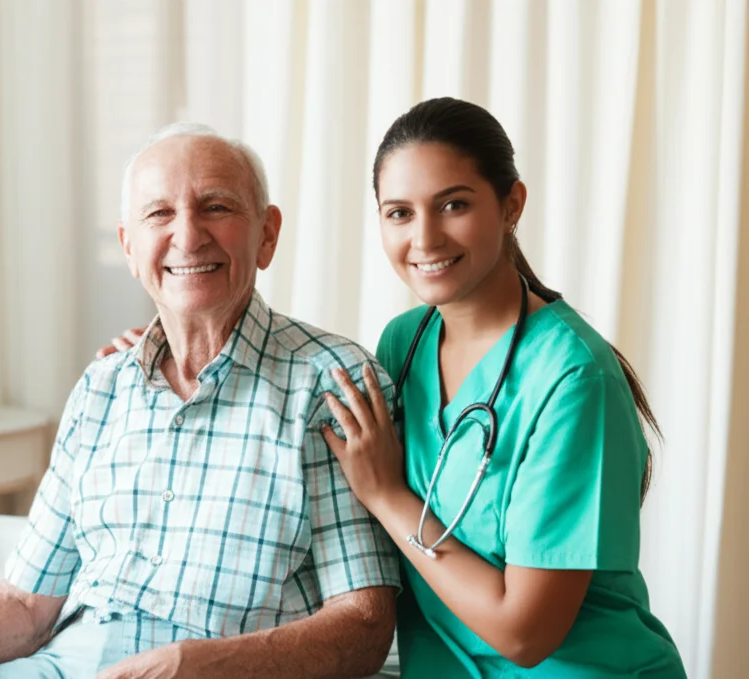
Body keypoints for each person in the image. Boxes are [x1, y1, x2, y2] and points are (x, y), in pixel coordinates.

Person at [99, 99, 687, 677]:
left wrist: (385, 494)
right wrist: (168, 348)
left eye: (453, 204)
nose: (425, 238)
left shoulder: (573, 378)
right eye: (399, 213)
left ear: (512, 205)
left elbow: (526, 633)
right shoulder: (405, 345)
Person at [0, 122, 401, 679]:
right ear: (130, 248)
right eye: (159, 214)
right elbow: (26, 604)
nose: (188, 236)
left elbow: (364, 626)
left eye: (216, 207)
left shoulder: (332, 382)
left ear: (267, 235)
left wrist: (200, 664)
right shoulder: (100, 388)